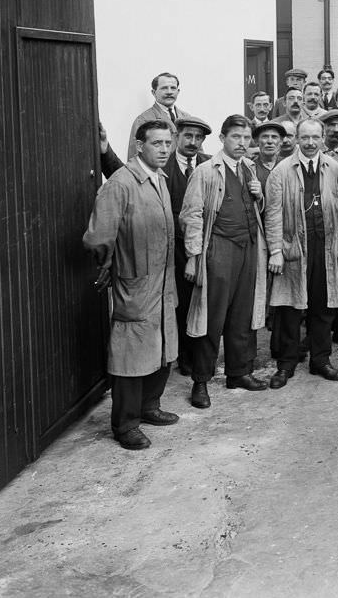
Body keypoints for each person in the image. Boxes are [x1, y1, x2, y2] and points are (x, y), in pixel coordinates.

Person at [82, 120, 179, 450]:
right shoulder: (121, 183)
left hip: (162, 284)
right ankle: (125, 425)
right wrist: (112, 264)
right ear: (140, 146)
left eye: (168, 143)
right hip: (135, 285)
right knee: (130, 357)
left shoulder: (159, 180)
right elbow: (98, 237)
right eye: (157, 144)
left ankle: (150, 407)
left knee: (161, 349)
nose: (164, 149)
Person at [180, 115, 269, 409]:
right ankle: (201, 381)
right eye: (236, 137)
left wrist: (260, 196)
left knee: (242, 315)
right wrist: (194, 256)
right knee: (211, 317)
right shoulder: (206, 172)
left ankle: (238, 372)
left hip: (248, 248)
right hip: (218, 249)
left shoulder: (249, 168)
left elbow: (256, 209)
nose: (242, 143)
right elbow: (191, 215)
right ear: (222, 138)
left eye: (246, 138)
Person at [264, 118, 338, 388]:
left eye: (315, 137)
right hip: (294, 249)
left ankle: (320, 360)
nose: (310, 143)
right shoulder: (282, 170)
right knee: (290, 307)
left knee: (322, 307)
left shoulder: (333, 168)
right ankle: (286, 363)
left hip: (324, 248)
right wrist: (276, 250)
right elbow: (273, 213)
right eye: (305, 137)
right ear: (297, 139)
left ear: (323, 138)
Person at [161, 114, 212, 374]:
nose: (193, 142)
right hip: (173, 248)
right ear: (176, 137)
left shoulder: (208, 164)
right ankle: (182, 355)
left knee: (201, 300)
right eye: (188, 136)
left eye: (198, 138)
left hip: (203, 244)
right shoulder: (163, 168)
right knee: (179, 300)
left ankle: (198, 354)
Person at [128, 72, 188, 154]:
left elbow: (199, 154)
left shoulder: (187, 118)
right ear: (153, 92)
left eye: (173, 88)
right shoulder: (143, 120)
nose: (169, 92)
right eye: (164, 88)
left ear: (178, 91)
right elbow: (135, 156)